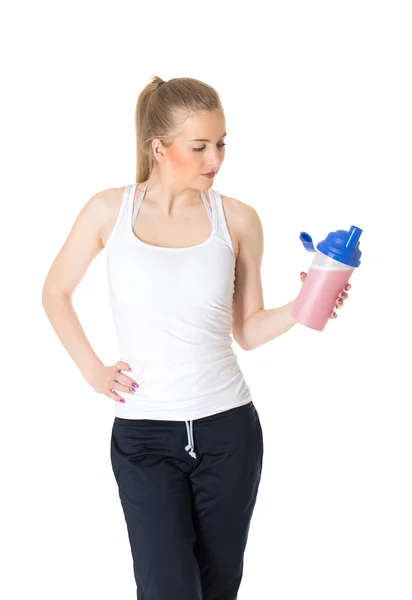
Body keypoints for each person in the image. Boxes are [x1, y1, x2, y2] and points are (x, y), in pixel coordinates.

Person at [41, 75, 350, 600]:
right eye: (200, 146)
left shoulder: (238, 219)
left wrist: (304, 307)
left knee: (216, 590)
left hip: (229, 432)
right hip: (144, 439)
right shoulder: (107, 211)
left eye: (222, 143)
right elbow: (55, 293)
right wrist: (95, 373)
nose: (216, 158)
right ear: (159, 148)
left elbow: (247, 331)